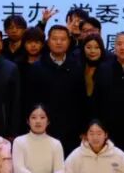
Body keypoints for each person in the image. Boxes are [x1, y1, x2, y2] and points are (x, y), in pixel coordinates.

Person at [25, 25, 87, 155]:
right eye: (54, 39)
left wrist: (82, 128)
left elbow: (81, 100)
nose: (59, 42)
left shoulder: (77, 67)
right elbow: (29, 100)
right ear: (48, 41)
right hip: (43, 127)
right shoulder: (36, 68)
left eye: (63, 39)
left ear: (69, 42)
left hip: (71, 129)